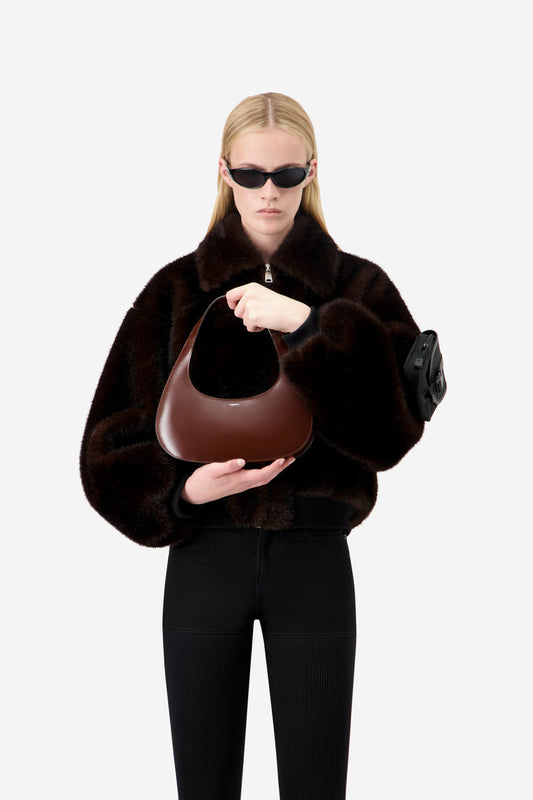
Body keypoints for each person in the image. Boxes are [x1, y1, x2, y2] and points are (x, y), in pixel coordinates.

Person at [80, 92, 425, 800]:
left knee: (315, 785)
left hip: (314, 558)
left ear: (311, 172)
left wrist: (308, 323)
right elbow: (104, 451)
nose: (268, 193)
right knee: (203, 786)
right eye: (250, 175)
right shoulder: (176, 290)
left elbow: (392, 433)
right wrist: (182, 493)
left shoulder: (358, 288)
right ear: (223, 172)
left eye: (286, 175)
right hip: (204, 558)